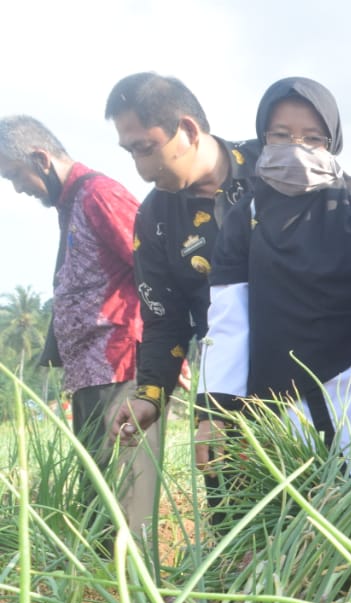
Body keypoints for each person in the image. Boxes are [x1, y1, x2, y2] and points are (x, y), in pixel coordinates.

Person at [195, 77, 351, 472]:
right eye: (281, 136)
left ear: (332, 142)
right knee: (293, 503)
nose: (296, 148)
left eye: (312, 138)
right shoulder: (245, 220)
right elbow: (228, 316)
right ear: (262, 138)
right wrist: (214, 410)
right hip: (280, 402)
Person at [0, 115, 156, 534]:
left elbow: (155, 268)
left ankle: (135, 573)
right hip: (91, 373)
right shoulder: (72, 204)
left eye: (15, 175)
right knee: (98, 498)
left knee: (126, 501)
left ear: (41, 159)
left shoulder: (100, 195)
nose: (17, 188)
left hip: (121, 366)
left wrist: (165, 355)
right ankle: (103, 574)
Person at [103, 73, 260, 454]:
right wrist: (149, 395)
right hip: (223, 398)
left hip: (308, 374)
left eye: (145, 148)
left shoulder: (270, 165)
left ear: (187, 130)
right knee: (231, 487)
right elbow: (164, 318)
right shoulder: (154, 219)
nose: (142, 169)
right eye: (130, 152)